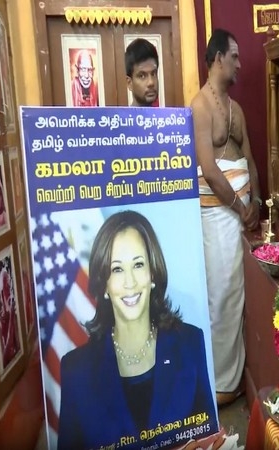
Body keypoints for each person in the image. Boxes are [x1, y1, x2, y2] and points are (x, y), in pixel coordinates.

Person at [58, 210, 217, 450]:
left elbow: (209, 440)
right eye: (117, 269)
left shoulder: (191, 343)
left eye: (138, 265)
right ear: (104, 284)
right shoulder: (75, 370)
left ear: (152, 273)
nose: (130, 282)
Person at [191, 28, 260, 407]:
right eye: (233, 55)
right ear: (217, 57)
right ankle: (221, 382)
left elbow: (248, 158)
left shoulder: (237, 110)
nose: (238, 62)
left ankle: (234, 376)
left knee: (240, 297)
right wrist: (240, 207)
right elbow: (210, 170)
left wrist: (258, 203)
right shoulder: (199, 107)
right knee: (220, 298)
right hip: (218, 215)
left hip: (243, 218)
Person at [125, 38, 159, 107]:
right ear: (129, 83)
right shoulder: (122, 118)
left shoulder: (167, 117)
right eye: (142, 76)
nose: (151, 82)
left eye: (153, 74)